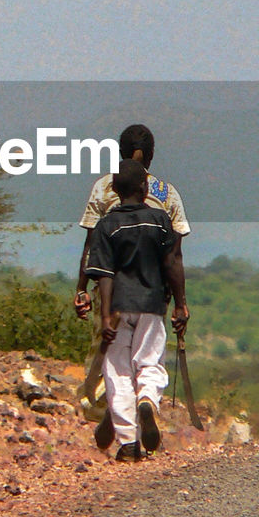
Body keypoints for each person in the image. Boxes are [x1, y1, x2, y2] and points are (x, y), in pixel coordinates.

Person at [73, 123, 190, 448]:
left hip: (111, 297)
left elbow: (90, 246)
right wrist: (180, 303)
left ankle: (116, 417)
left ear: (120, 154)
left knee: (111, 361)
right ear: (151, 157)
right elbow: (174, 257)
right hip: (154, 296)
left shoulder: (103, 188)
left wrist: (82, 288)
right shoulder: (167, 195)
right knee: (148, 359)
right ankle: (142, 404)